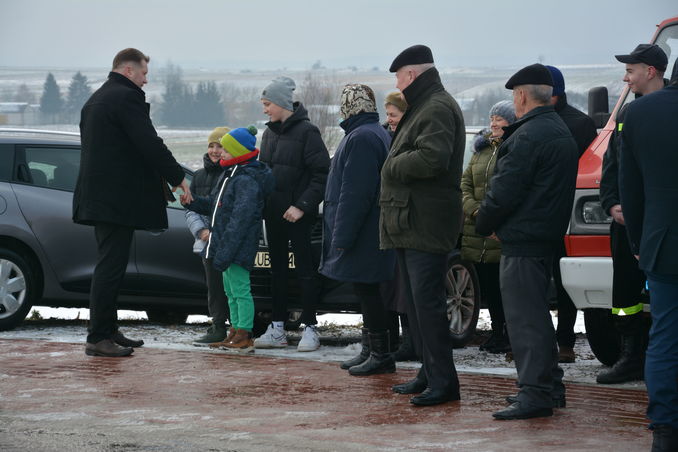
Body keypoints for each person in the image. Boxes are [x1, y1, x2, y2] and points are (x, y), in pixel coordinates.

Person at [476, 63, 578, 420]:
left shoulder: (527, 136)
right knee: (537, 317)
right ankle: (549, 386)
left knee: (525, 321)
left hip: (521, 241)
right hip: (543, 237)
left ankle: (535, 393)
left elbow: (504, 191)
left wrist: (484, 223)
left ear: (520, 96)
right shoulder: (557, 129)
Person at [73, 48, 191, 358]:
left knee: (111, 264)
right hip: (114, 198)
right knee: (110, 267)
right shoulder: (125, 98)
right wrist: (178, 177)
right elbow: (149, 143)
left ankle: (108, 330)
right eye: (143, 74)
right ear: (128, 71)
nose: (145, 81)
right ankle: (98, 336)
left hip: (100, 196)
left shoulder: (97, 98)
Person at [380, 45, 465, 406]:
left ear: (411, 74)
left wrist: (391, 164)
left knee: (428, 307)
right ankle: (430, 372)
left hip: (425, 222)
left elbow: (433, 158)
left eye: (399, 77)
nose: (398, 85)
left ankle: (444, 382)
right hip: (411, 220)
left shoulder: (436, 107)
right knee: (416, 306)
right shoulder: (424, 105)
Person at [598, 44, 668, 384]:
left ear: (651, 72)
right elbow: (612, 164)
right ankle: (630, 355)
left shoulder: (665, 111)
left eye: (631, 71)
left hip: (658, 224)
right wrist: (611, 203)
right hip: (625, 223)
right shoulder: (627, 114)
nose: (626, 78)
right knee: (625, 295)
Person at [619, 60, 678, 452]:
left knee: (666, 339)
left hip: (664, 244)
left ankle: (665, 430)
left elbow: (630, 189)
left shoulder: (638, 112)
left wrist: (640, 242)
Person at [319, 84, 395, 376]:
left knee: (369, 290)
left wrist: (342, 236)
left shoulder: (362, 137)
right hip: (370, 227)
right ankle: (371, 350)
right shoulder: (372, 132)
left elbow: (355, 191)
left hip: (364, 231)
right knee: (368, 290)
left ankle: (381, 354)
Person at [254, 77, 330, 352]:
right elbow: (263, 173)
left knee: (305, 272)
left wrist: (302, 206)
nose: (264, 110)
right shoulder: (269, 134)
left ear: (281, 104)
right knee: (277, 273)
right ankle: (277, 328)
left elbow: (323, 174)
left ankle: (310, 328)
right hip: (273, 215)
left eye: (267, 104)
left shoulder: (308, 132)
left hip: (299, 215)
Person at [183, 127, 274, 353]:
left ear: (237, 151)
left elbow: (240, 222)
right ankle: (234, 331)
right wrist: (191, 202)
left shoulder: (246, 180)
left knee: (241, 291)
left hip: (236, 248)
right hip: (224, 245)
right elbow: (214, 205)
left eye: (225, 149)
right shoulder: (231, 175)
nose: (220, 153)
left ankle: (244, 333)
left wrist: (225, 250)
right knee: (230, 291)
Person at [545, 65, 598, 364]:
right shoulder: (532, 121)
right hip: (541, 212)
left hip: (570, 213)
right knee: (538, 279)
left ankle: (565, 339)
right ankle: (540, 339)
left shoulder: (580, 123)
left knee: (566, 279)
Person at [461, 100, 516, 354]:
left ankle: (509, 333)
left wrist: (492, 217)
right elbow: (465, 183)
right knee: (489, 287)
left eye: (500, 119)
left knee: (506, 287)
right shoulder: (481, 150)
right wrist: (474, 210)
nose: (493, 123)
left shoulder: (513, 148)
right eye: (492, 118)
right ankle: (496, 332)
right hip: (477, 229)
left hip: (499, 231)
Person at [186, 127, 231, 345]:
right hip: (206, 240)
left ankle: (240, 327)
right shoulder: (199, 176)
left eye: (220, 146)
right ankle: (218, 325)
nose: (215, 150)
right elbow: (192, 209)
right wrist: (201, 230)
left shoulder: (231, 173)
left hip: (229, 240)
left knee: (233, 285)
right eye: (211, 145)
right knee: (214, 286)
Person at [381, 91, 417, 362]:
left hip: (408, 218)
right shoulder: (388, 136)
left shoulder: (410, 137)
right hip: (392, 218)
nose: (389, 120)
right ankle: (402, 339)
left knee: (409, 288)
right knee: (397, 286)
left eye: (394, 115)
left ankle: (412, 341)